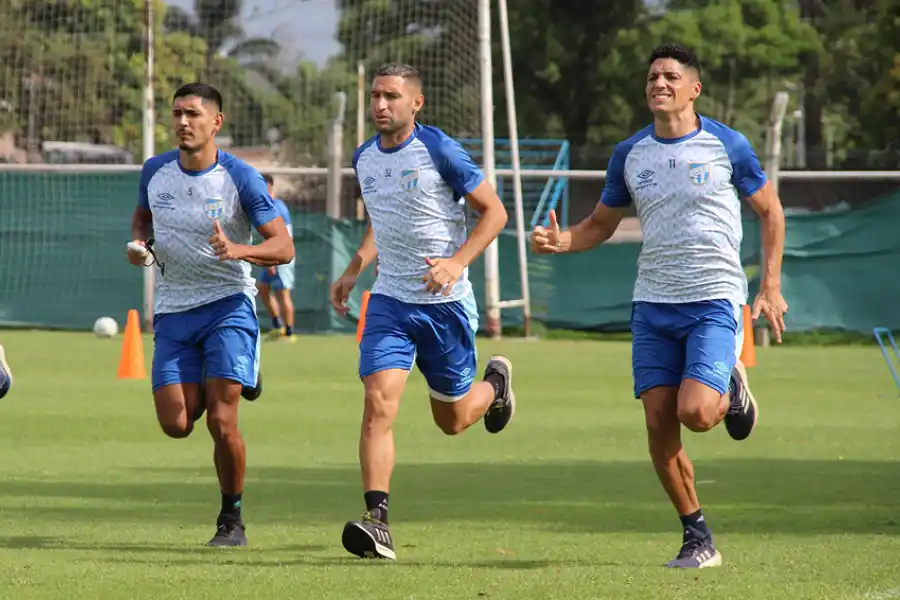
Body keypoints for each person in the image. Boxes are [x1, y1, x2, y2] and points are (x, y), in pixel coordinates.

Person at [531, 44, 788, 569]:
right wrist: (563, 242)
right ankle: (698, 538)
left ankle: (731, 387)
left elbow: (771, 210)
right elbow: (600, 225)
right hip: (652, 303)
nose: (659, 83)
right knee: (657, 423)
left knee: (695, 413)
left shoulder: (727, 145)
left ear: (694, 89)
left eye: (671, 76)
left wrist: (771, 285)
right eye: (653, 77)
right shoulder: (631, 154)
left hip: (715, 296)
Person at [330, 62, 516, 561]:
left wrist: (456, 262)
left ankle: (495, 387)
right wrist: (355, 267)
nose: (379, 105)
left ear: (416, 103)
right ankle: (378, 520)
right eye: (374, 95)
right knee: (378, 401)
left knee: (452, 420)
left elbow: (495, 212)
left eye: (391, 96)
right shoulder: (364, 157)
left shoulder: (439, 149)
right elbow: (382, 218)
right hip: (390, 301)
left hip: (445, 306)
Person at [127, 82, 294, 547]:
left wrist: (238, 249)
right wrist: (141, 243)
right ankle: (230, 371)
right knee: (177, 424)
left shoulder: (239, 177)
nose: (183, 121)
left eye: (193, 114)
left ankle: (231, 519)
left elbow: (284, 246)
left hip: (228, 306)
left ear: (216, 122)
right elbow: (142, 218)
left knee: (222, 422)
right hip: (174, 310)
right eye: (177, 113)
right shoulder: (155, 171)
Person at [255, 173, 297, 342]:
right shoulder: (268, 205)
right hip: (271, 255)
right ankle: (278, 325)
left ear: (268, 187)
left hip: (280, 256)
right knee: (263, 288)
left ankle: (289, 332)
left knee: (283, 293)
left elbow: (282, 236)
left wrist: (274, 259)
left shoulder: (276, 206)